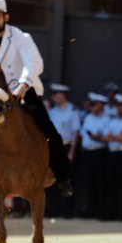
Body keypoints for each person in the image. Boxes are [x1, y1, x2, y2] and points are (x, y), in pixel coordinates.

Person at [0, 0, 74, 207]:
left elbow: (35, 63)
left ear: (6, 16)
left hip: (23, 89)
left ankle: (62, 176)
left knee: (48, 130)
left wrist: (23, 85)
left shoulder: (21, 37)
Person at [47, 84, 80, 218]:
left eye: (56, 94)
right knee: (52, 179)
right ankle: (53, 210)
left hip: (66, 146)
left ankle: (68, 211)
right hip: (53, 147)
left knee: (67, 179)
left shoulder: (72, 111)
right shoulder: (52, 112)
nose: (54, 97)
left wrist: (71, 152)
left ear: (63, 95)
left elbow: (76, 133)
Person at [80, 93, 110, 218]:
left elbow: (105, 136)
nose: (92, 106)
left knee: (100, 182)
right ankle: (91, 209)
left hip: (100, 152)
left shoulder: (107, 118)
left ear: (101, 105)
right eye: (92, 104)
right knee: (89, 182)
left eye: (95, 104)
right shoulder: (88, 117)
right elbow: (84, 134)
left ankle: (101, 210)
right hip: (87, 152)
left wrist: (97, 137)